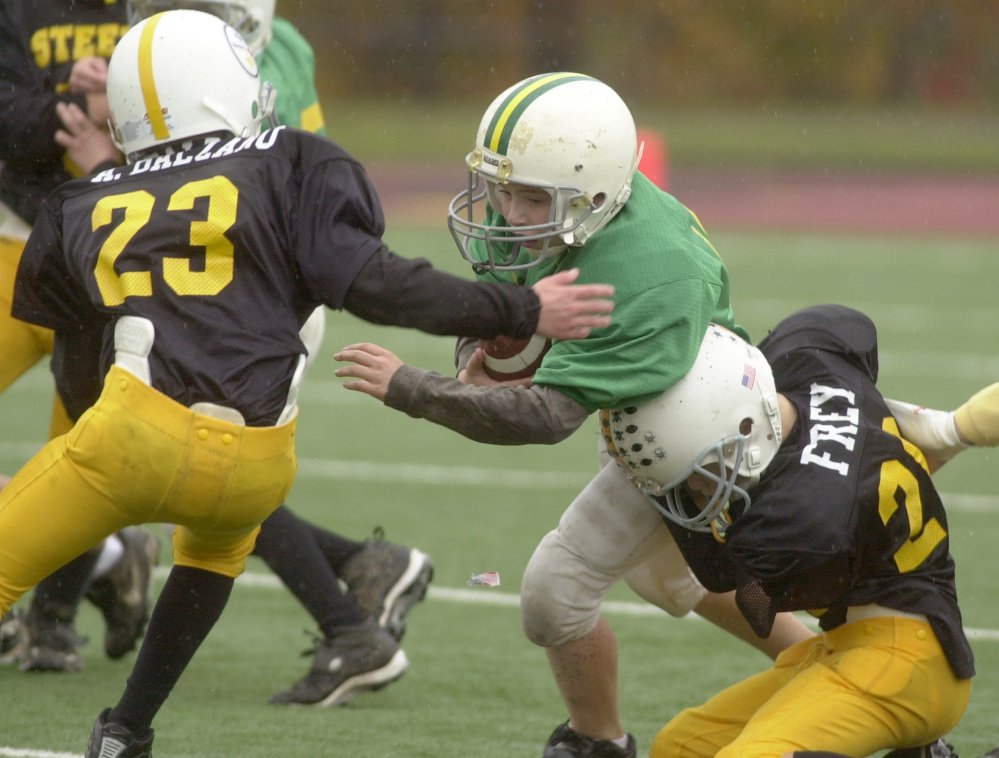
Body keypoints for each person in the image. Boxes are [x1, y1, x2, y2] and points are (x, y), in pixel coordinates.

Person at [0, 11, 614, 756]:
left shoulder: (82, 201)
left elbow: (77, 361)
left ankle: (98, 664)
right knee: (211, 554)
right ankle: (127, 729)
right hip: (256, 463)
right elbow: (376, 285)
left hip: (130, 437)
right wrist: (518, 308)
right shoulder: (293, 162)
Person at [333, 71, 818, 758]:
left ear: (594, 193)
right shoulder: (561, 203)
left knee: (554, 594)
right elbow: (502, 299)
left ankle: (598, 741)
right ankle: (823, 664)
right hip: (640, 409)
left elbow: (542, 416)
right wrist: (485, 342)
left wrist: (410, 387)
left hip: (696, 438)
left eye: (529, 197)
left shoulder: (647, 272)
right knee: (668, 575)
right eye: (499, 189)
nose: (505, 210)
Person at [596, 307, 973, 756]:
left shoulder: (800, 517)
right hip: (846, 647)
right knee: (681, 747)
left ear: (742, 430)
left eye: (697, 473)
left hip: (908, 660)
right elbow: (852, 330)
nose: (696, 489)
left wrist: (659, 489)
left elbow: (722, 578)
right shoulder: (809, 360)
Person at [0, 0, 166, 674]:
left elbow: (193, 141)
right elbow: (8, 120)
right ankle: (114, 558)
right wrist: (78, 98)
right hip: (18, 244)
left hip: (113, 262)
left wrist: (117, 112)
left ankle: (55, 617)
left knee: (86, 450)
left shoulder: (164, 13)